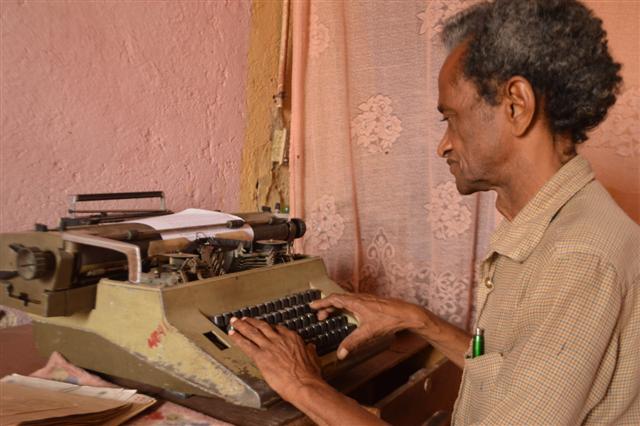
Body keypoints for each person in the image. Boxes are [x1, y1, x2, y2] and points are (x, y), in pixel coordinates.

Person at [228, 0, 640, 424]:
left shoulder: (576, 261)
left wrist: (302, 385)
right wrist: (420, 321)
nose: (444, 145)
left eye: (452, 118)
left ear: (516, 106)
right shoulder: (568, 225)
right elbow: (519, 377)